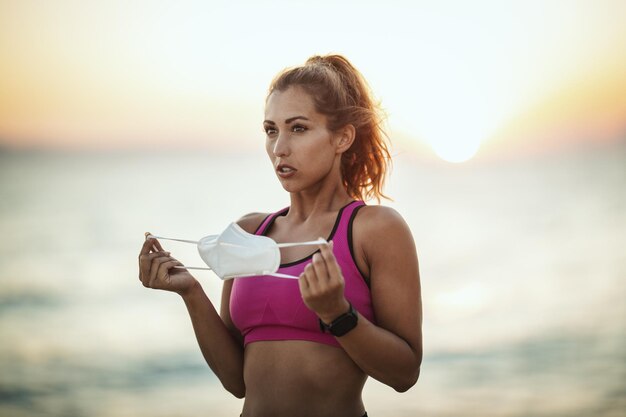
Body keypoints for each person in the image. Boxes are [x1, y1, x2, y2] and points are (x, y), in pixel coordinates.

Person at [138, 54, 422, 417]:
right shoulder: (248, 232)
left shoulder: (375, 229)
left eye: (298, 128)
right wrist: (190, 292)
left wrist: (338, 314)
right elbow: (236, 381)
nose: (279, 148)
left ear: (342, 137)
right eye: (271, 130)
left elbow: (405, 373)